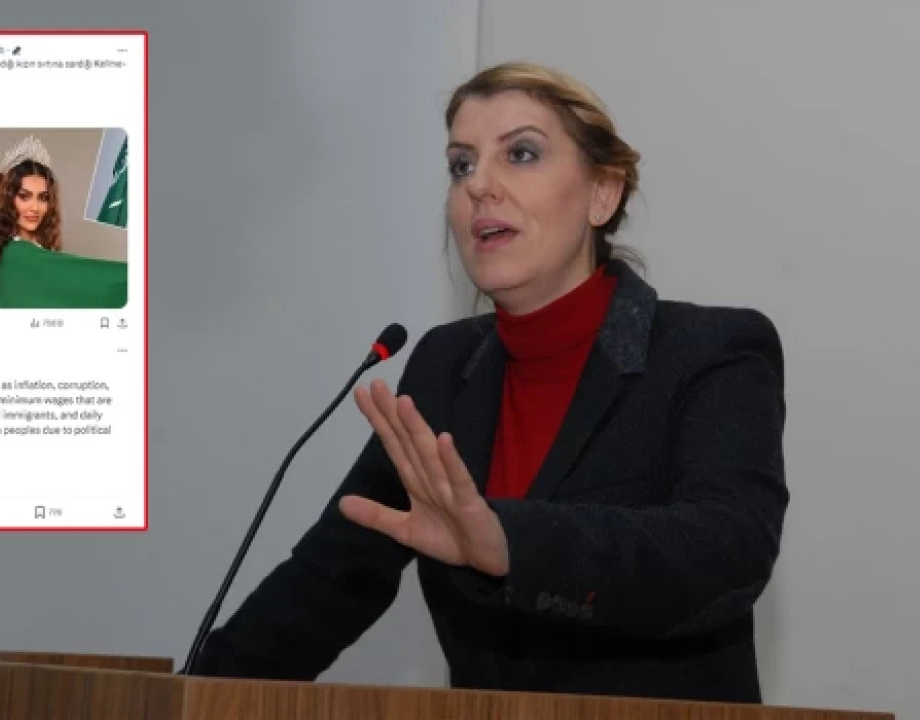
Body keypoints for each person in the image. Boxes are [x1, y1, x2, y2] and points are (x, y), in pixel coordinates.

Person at [190, 61, 789, 704]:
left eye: (521, 153)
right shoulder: (446, 366)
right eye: (461, 165)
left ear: (603, 193)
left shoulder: (710, 350)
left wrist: (510, 544)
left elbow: (724, 553)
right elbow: (329, 581)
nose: (479, 185)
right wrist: (185, 697)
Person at [0, 134, 127, 309]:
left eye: (43, 198)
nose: (35, 207)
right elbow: (88, 279)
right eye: (24, 196)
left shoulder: (34, 249)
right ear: (7, 199)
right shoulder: (15, 252)